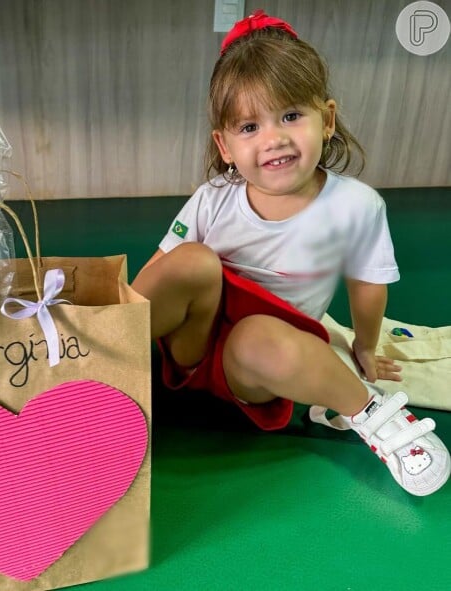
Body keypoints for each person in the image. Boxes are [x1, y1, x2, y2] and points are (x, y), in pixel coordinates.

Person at [131, 9, 450, 496]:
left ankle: (371, 414)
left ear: (327, 120)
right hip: (185, 352)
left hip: (255, 369)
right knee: (194, 260)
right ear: (224, 145)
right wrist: (118, 323)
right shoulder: (212, 198)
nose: (274, 138)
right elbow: (158, 273)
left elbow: (367, 288)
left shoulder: (356, 206)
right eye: (249, 127)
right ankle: (89, 355)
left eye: (291, 116)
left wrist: (364, 346)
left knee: (257, 335)